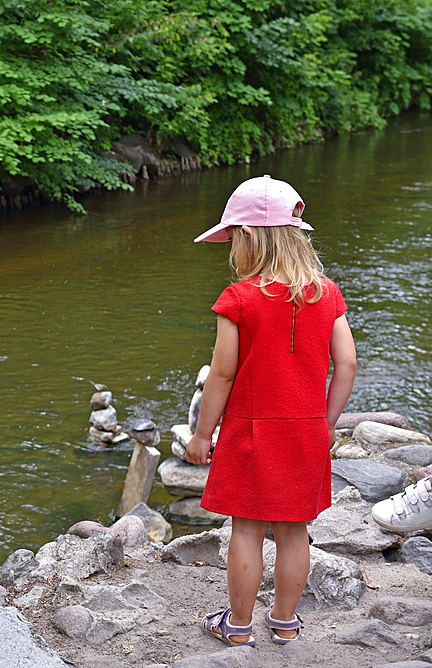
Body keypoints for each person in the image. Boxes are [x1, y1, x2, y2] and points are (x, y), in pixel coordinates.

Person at [186, 175, 357, 647]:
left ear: (246, 238)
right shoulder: (327, 293)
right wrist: (325, 425)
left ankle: (238, 626)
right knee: (293, 530)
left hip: (250, 431)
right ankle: (284, 621)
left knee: (246, 527)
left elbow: (221, 375)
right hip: (304, 432)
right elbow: (346, 364)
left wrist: (202, 435)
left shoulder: (238, 299)